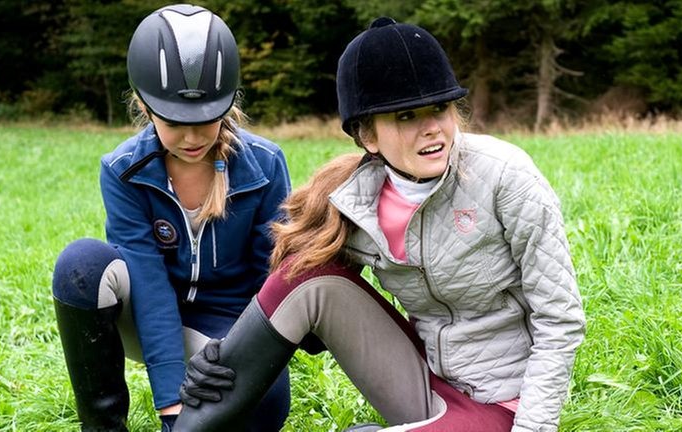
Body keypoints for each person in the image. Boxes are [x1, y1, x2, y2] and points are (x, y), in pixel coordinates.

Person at [174, 17, 586, 432]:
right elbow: (301, 302)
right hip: (423, 383)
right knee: (304, 273)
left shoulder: (506, 177)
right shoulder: (357, 198)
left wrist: (532, 428)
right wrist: (224, 356)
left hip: (505, 405)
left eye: (439, 108)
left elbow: (560, 320)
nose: (432, 128)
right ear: (367, 136)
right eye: (406, 116)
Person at [51, 5, 292, 431]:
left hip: (227, 326)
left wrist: (238, 353)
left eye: (206, 119)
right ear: (144, 106)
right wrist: (171, 404)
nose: (193, 137)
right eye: (175, 121)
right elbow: (147, 280)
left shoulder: (266, 165)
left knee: (266, 409)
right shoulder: (122, 169)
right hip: (147, 315)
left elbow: (268, 282)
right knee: (80, 266)